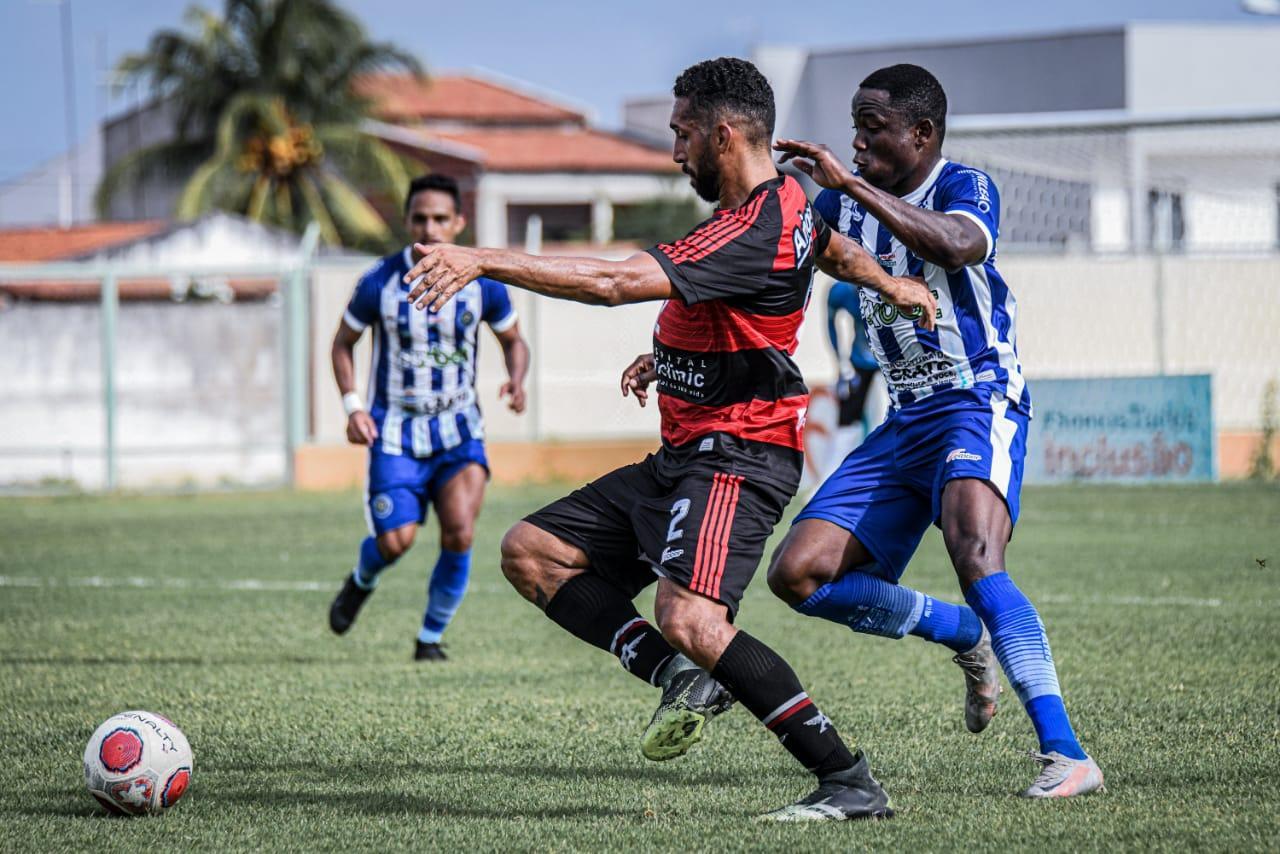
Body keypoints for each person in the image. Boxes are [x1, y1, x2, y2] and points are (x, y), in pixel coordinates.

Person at [401, 58, 936, 822]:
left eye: (683, 134)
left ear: (723, 133)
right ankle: (684, 679)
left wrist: (481, 258)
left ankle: (848, 779)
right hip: (684, 455)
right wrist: (886, 281)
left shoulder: (748, 223)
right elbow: (827, 249)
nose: (676, 150)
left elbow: (616, 282)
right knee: (531, 551)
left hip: (739, 459)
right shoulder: (789, 199)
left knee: (690, 619)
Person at [770, 64, 1104, 799]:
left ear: (921, 134)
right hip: (905, 417)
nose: (856, 141)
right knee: (797, 574)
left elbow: (956, 246)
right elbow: (775, 280)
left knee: (977, 553)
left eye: (873, 127)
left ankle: (1068, 754)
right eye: (854, 126)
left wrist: (853, 188)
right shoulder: (837, 208)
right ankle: (961, 633)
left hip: (978, 395)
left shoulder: (963, 186)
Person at [328, 173, 530, 661]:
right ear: (408, 221)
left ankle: (430, 639)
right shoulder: (379, 281)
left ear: (458, 222)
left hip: (459, 429)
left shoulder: (484, 285)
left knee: (460, 528)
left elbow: (513, 341)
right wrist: (352, 407)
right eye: (421, 218)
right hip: (395, 431)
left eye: (441, 218)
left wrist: (517, 379)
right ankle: (362, 578)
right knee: (395, 542)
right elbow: (342, 344)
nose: (431, 227)